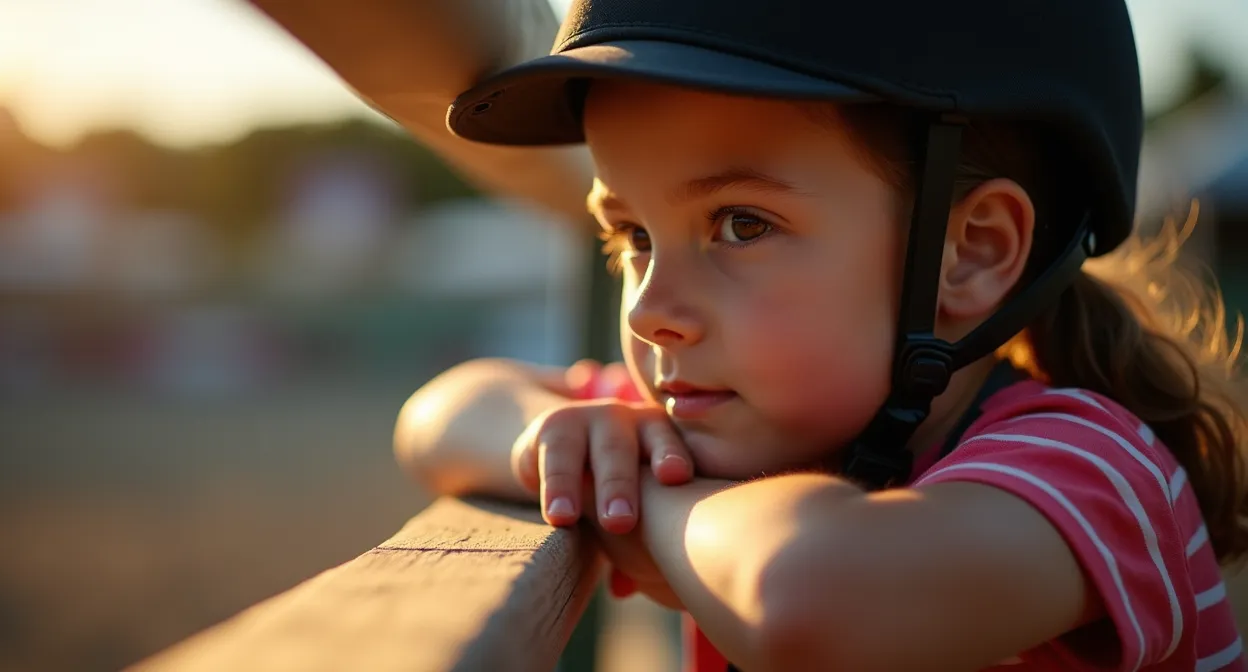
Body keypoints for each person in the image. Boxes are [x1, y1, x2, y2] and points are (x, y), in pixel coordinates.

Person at [388, 0, 1248, 670]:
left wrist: (632, 497)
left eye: (741, 225)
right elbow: (437, 415)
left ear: (970, 253)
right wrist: (559, 442)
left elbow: (798, 595)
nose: (651, 310)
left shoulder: (1096, 469)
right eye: (632, 237)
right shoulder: (740, 419)